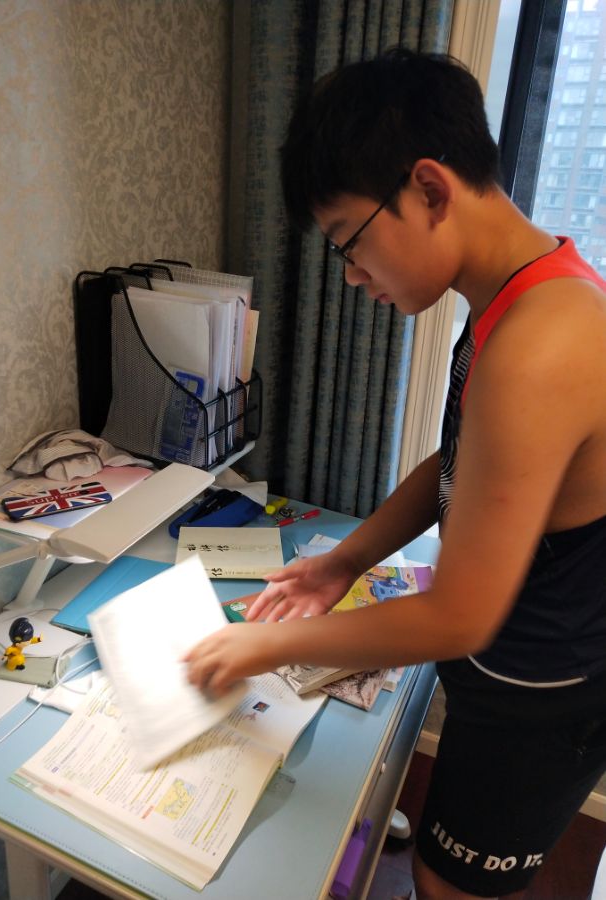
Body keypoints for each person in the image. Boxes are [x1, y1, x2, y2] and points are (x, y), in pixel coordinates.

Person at [184, 48, 606, 899]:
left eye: (350, 241)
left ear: (429, 189)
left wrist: (265, 645)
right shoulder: (515, 294)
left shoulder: (544, 340)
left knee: (450, 886)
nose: (351, 275)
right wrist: (344, 559)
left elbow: (458, 616)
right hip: (511, 661)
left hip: (541, 690)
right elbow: (461, 457)